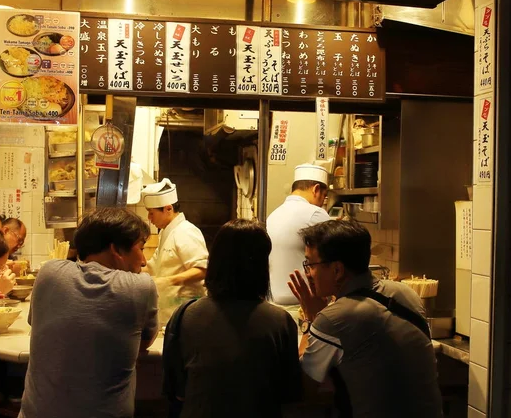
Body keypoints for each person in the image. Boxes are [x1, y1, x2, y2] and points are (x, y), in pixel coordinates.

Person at [288, 220, 443, 418]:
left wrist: (311, 318)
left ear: (337, 270)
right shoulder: (406, 293)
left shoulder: (333, 319)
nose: (307, 273)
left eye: (310, 264)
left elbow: (304, 390)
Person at [20, 207, 158, 418]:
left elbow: (40, 325)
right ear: (117, 250)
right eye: (141, 248)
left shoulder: (48, 272)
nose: (144, 261)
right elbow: (144, 342)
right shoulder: (140, 287)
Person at [164, 219, 301, 418]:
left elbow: (177, 392)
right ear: (262, 266)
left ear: (215, 262)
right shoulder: (280, 321)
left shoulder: (185, 315)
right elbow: (290, 394)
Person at [143, 178, 208, 323]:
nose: (149, 218)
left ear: (168, 209)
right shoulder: (165, 233)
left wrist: (169, 281)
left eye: (151, 213)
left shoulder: (186, 231)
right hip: (169, 312)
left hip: (186, 313)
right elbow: (154, 266)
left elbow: (202, 270)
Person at [267, 163, 330, 305]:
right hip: (303, 304)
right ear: (316, 189)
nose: (322, 203)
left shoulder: (273, 215)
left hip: (273, 301)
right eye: (324, 196)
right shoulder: (315, 213)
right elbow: (332, 257)